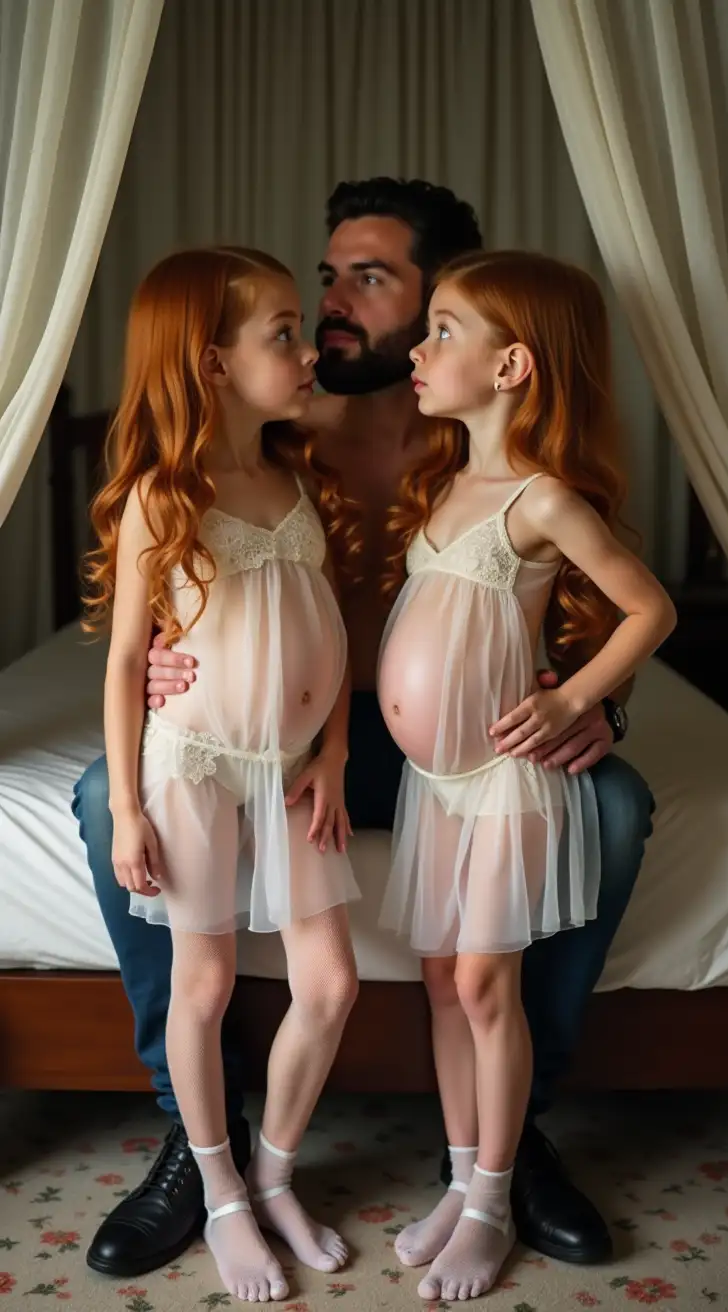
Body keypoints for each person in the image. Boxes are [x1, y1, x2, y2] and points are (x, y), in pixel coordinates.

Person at [73, 178, 655, 1279]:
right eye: (324, 279)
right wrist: (163, 658)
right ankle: (195, 1138)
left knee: (615, 806)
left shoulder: (476, 444)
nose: (334, 305)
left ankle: (505, 1133)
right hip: (266, 738)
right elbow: (191, 588)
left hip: (442, 739)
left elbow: (586, 603)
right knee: (107, 799)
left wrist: (595, 700)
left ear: (456, 311)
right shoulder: (287, 428)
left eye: (370, 281)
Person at [374, 249, 676, 1301]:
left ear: (511, 366)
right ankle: (461, 1180)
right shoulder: (447, 480)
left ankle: (496, 1198)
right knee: (436, 983)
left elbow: (650, 609)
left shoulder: (541, 500)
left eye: (442, 330)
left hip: (501, 777)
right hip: (434, 785)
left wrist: (573, 696)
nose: (417, 347)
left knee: (481, 986)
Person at [83, 246, 362, 1302]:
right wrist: (123, 808)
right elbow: (123, 664)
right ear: (209, 363)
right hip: (195, 766)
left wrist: (333, 752)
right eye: (281, 333)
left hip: (290, 769)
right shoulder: (169, 495)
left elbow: (326, 633)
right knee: (199, 987)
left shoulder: (296, 473)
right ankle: (221, 1195)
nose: (304, 349)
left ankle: (275, 1169)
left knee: (328, 983)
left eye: (300, 328)